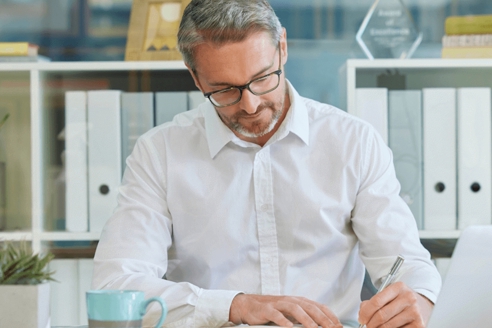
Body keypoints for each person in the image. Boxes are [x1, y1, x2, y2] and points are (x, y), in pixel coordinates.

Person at [92, 1, 441, 327]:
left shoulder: (353, 142)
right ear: (195, 77)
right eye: (225, 90)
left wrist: (419, 299)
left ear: (282, 48)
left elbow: (407, 263)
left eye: (262, 78)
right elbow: (116, 285)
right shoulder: (159, 153)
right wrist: (236, 305)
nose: (250, 105)